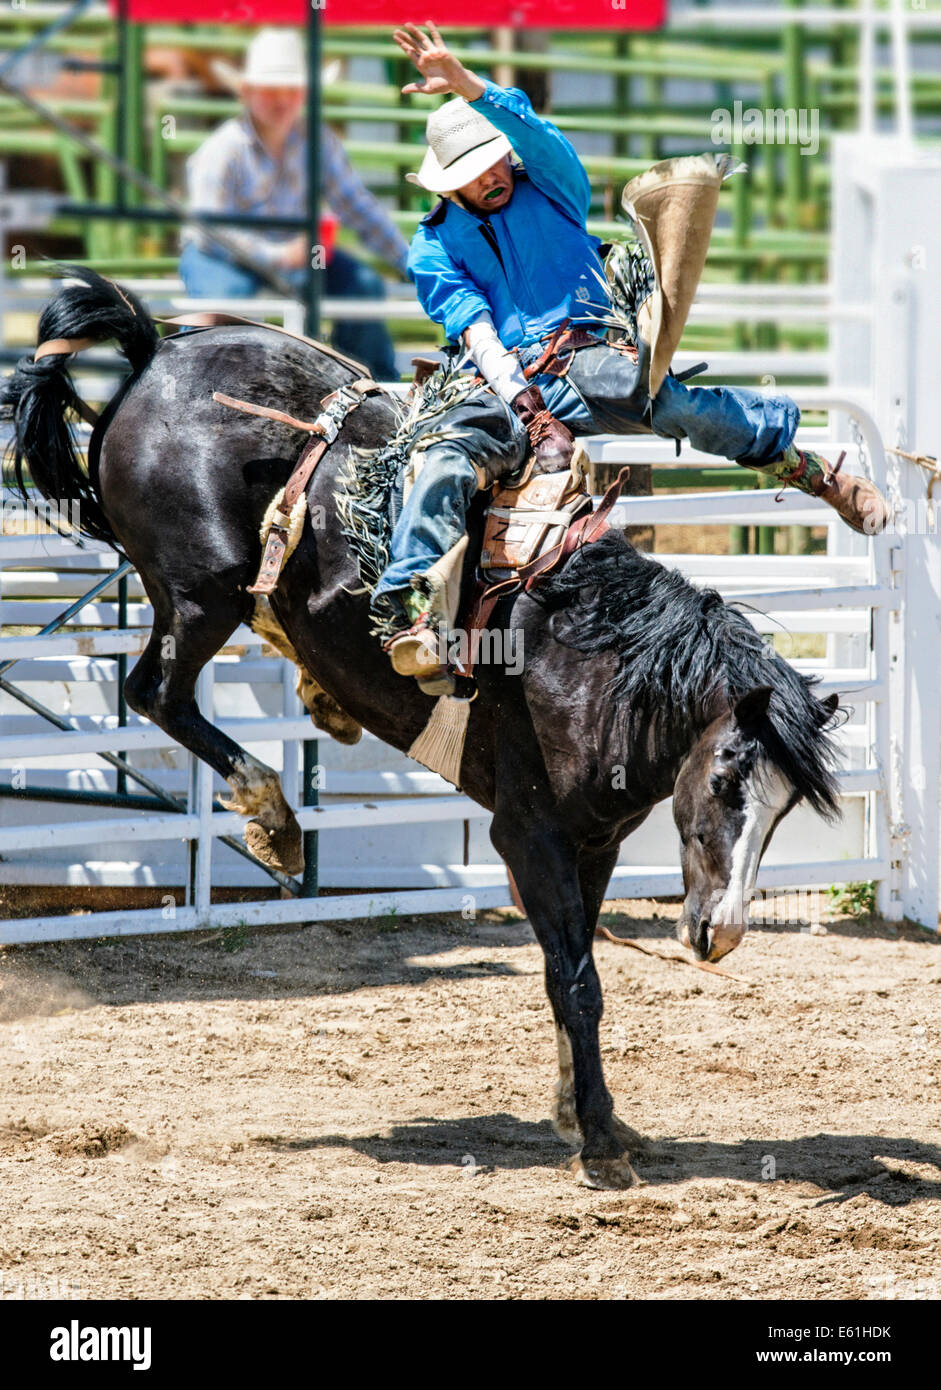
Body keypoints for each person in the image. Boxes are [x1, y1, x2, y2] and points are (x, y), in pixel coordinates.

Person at [373, 22, 890, 679]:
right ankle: (412, 610)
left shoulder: (551, 185)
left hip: (584, 354)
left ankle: (817, 474)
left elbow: (533, 131)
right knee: (444, 458)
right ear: (447, 185)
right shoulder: (432, 246)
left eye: (495, 158)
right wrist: (528, 410)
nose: (494, 175)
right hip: (499, 381)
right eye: (474, 173)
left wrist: (467, 84)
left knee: (665, 402)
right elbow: (471, 327)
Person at [179, 27, 409, 380]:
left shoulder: (317, 141)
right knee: (226, 301)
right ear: (248, 92)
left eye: (293, 90)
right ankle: (193, 383)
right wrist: (278, 256)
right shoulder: (223, 149)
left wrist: (407, 261)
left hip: (294, 255)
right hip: (222, 257)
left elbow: (357, 206)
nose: (282, 100)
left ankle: (370, 385)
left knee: (364, 284)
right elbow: (212, 233)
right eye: (272, 90)